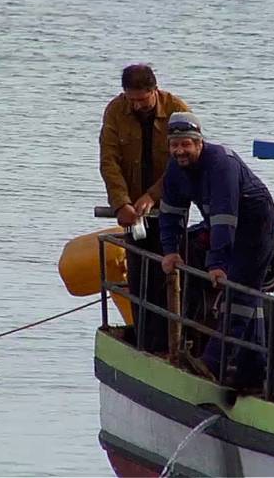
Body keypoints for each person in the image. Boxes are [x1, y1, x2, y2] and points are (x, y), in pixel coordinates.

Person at [159, 112, 274, 389]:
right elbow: (170, 211)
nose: (180, 151)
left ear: (200, 143)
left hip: (256, 226)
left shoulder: (221, 164)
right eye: (174, 145)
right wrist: (170, 250)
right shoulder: (175, 170)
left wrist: (217, 263)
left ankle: (212, 363)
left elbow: (225, 218)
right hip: (222, 224)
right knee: (251, 297)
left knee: (240, 290)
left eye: (186, 144)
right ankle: (253, 372)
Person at [99, 64, 191, 353]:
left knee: (170, 268)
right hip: (132, 211)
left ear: (155, 90)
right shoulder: (115, 110)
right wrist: (121, 202)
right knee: (139, 273)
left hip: (171, 204)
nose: (137, 105)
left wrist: (153, 195)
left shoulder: (177, 109)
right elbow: (109, 161)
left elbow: (184, 159)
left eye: (143, 99)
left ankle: (174, 340)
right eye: (131, 99)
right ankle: (145, 341)